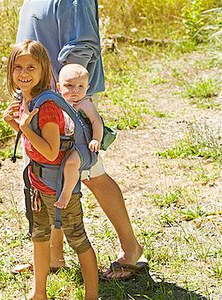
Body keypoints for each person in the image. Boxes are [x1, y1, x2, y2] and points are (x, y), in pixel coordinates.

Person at [15, 0, 145, 280]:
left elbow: (82, 47)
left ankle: (131, 250)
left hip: (65, 104)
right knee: (49, 178)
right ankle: (53, 256)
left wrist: (67, 105)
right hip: (39, 103)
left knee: (91, 174)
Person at [4, 40, 98, 300]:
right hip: (37, 182)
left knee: (77, 239)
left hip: (57, 185)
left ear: (43, 69)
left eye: (31, 67)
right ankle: (39, 294)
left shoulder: (46, 107)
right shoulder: (28, 98)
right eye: (18, 67)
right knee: (39, 236)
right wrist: (16, 124)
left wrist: (23, 128)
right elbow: (34, 141)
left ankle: (92, 295)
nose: (24, 73)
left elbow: (50, 151)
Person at [56, 64, 103, 210]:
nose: (75, 91)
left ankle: (66, 193)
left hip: (82, 147)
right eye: (69, 85)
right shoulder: (58, 102)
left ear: (87, 88)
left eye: (80, 86)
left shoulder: (84, 104)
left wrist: (96, 139)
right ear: (59, 87)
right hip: (65, 145)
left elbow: (96, 121)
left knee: (71, 163)